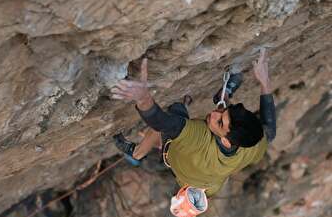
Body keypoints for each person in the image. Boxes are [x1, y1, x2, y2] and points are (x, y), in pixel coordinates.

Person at [111, 49, 276, 200]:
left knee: (175, 112)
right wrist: (265, 81)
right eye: (224, 111)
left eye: (219, 122)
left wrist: (142, 97)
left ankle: (137, 153)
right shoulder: (251, 146)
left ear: (226, 141)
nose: (213, 114)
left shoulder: (198, 138)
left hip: (182, 168)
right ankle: (224, 96)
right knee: (220, 119)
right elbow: (270, 131)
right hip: (207, 186)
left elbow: (160, 121)